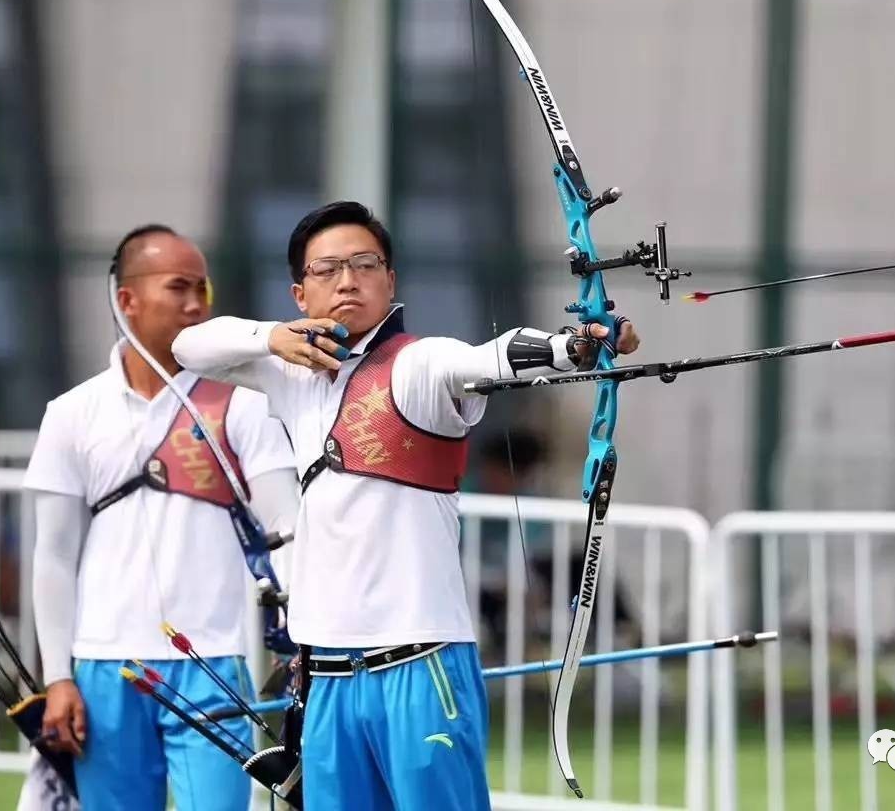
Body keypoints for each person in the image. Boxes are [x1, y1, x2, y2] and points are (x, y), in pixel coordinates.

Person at [171, 200, 642, 811]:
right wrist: (272, 337)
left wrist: (576, 345)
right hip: (326, 675)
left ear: (389, 280)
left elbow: (487, 358)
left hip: (421, 664)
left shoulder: (419, 363)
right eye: (327, 269)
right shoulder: (287, 374)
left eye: (365, 264)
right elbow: (187, 346)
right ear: (299, 292)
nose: (347, 280)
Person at [23, 225, 301, 811]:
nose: (197, 305)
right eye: (179, 287)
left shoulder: (243, 405)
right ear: (127, 300)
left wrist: (305, 639)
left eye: (203, 288)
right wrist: (58, 677)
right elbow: (52, 555)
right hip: (102, 668)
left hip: (215, 667)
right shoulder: (72, 413)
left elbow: (288, 530)